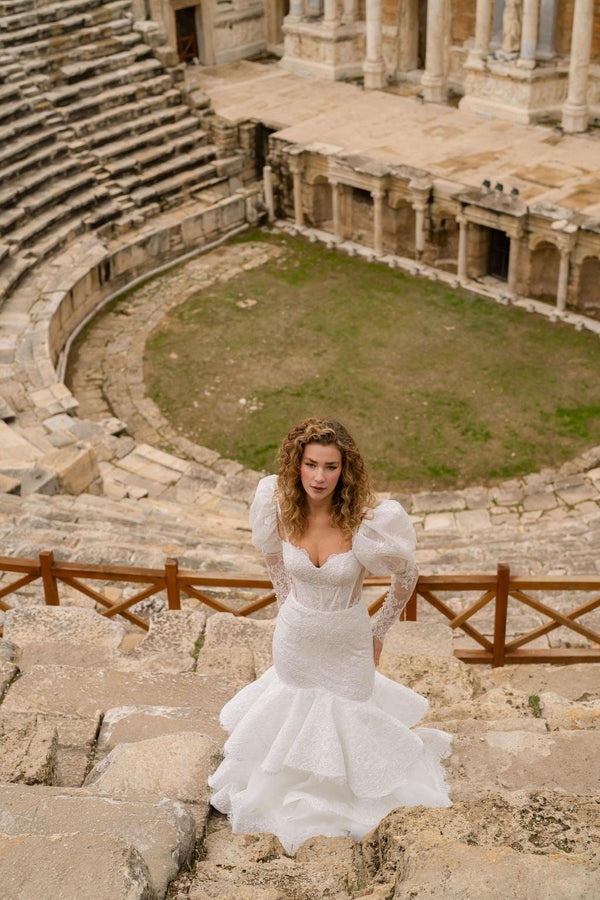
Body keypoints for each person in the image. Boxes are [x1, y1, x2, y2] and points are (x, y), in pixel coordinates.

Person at [208, 417, 452, 854]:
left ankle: (351, 802)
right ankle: (289, 798)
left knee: (352, 712)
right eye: (311, 464)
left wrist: (379, 633)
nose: (320, 477)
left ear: (345, 470)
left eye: (331, 467)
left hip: (349, 643)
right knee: (294, 711)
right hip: (297, 640)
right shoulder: (278, 505)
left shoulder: (365, 522)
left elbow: (407, 574)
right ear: (296, 464)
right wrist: (288, 608)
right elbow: (273, 559)